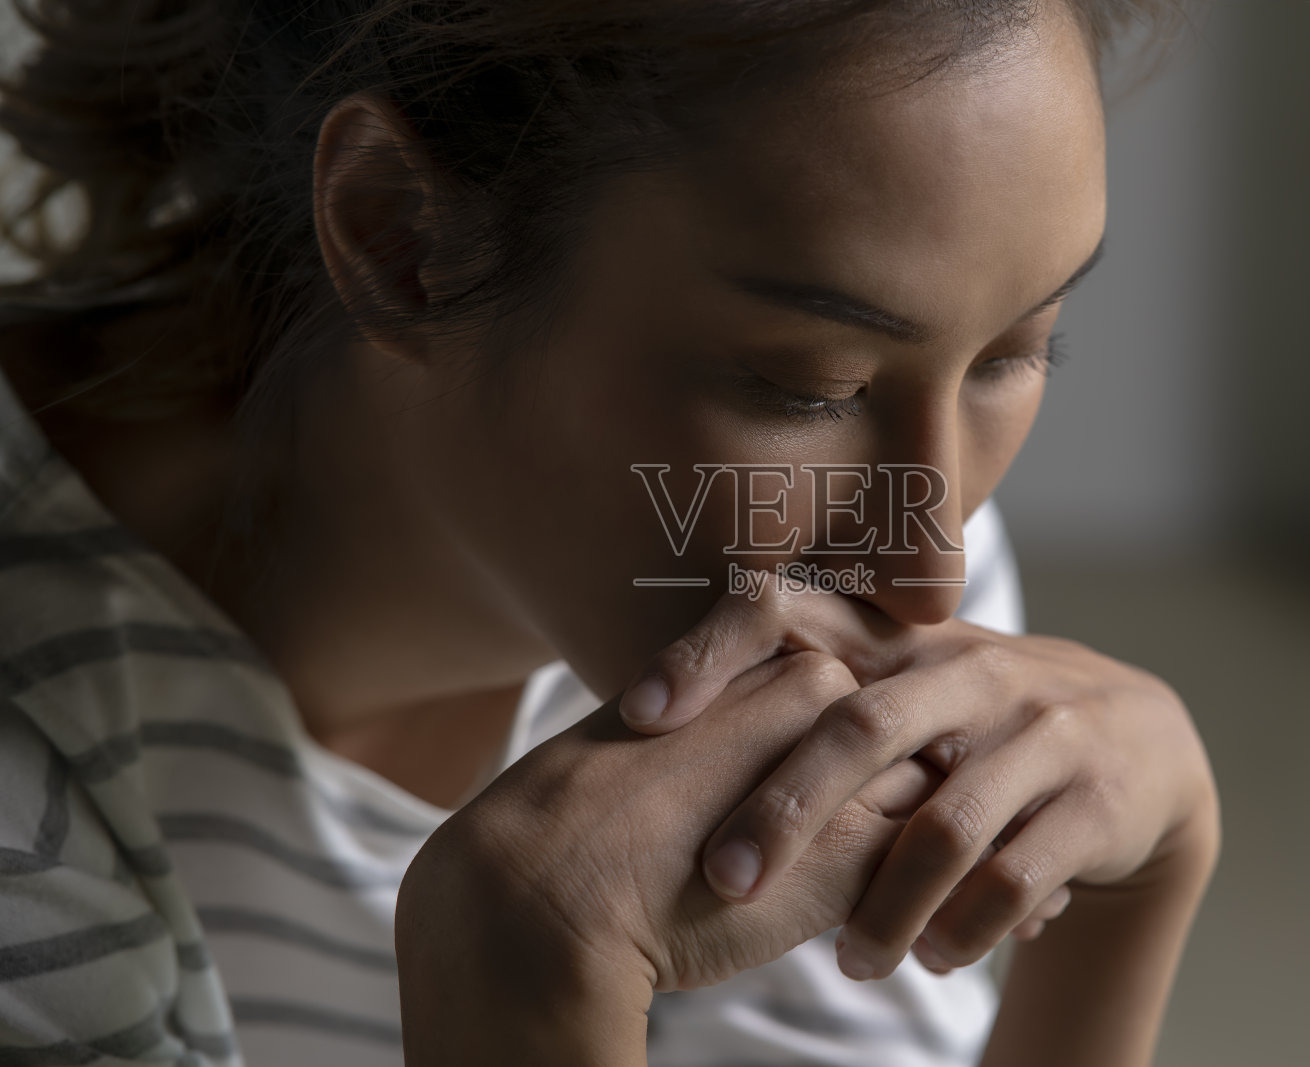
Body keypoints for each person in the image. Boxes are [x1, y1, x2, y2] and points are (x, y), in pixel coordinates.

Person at [0, 0, 1220, 1064]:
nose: (934, 563)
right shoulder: (34, 794)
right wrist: (525, 991)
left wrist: (1128, 914)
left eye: (1018, 346)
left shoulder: (841, 560)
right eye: (811, 384)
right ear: (399, 239)